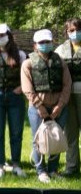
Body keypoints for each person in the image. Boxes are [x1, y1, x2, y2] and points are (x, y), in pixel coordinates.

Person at [21, 29, 71, 183]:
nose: (45, 44)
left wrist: (60, 106)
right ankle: (40, 170)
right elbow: (27, 88)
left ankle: (53, 169)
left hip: (59, 108)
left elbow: (67, 85)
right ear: (35, 45)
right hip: (37, 109)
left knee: (56, 137)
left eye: (47, 42)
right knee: (38, 139)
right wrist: (39, 107)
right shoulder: (28, 63)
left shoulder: (60, 61)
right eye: (41, 42)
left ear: (52, 43)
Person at [0, 23, 27, 179]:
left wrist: (21, 88)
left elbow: (26, 73)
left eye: (2, 35)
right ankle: (0, 166)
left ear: (9, 35)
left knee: (16, 132)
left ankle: (16, 164)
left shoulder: (20, 54)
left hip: (15, 96)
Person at [56, 17, 81, 176]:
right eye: (72, 30)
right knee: (70, 133)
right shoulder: (60, 50)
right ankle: (71, 168)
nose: (75, 33)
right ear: (67, 32)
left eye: (78, 29)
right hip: (68, 97)